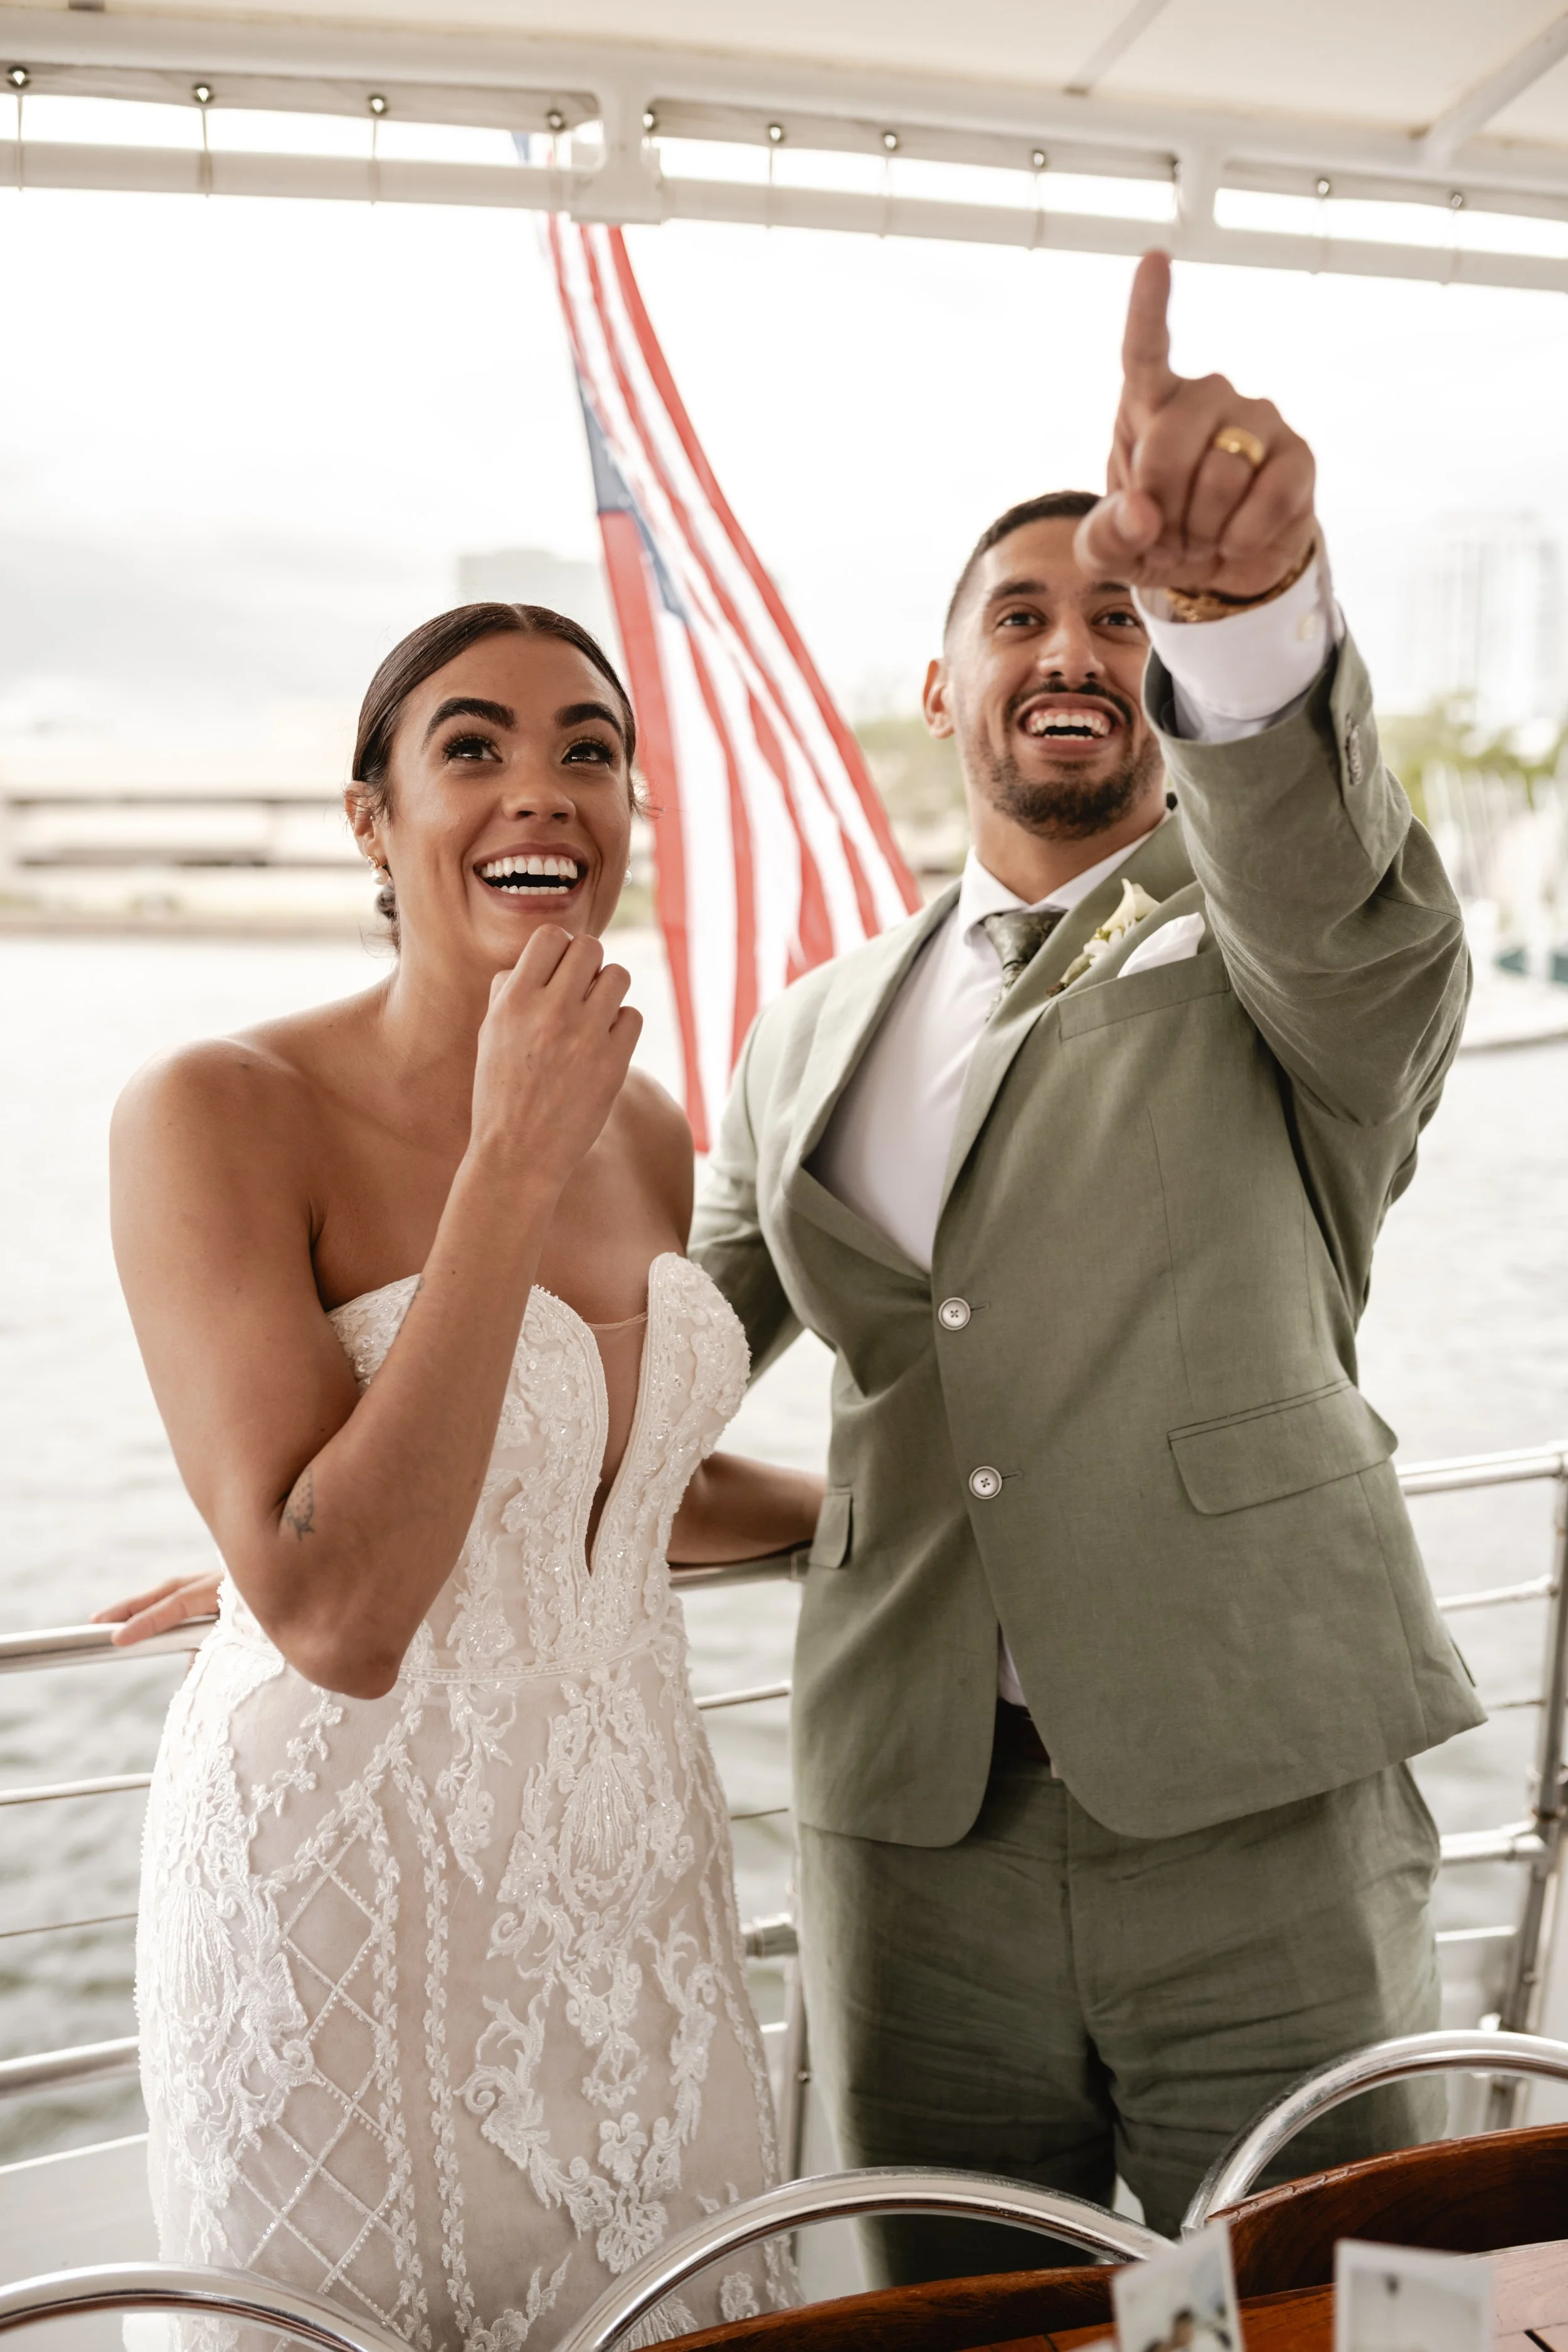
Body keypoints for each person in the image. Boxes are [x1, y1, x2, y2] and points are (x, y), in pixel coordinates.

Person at [688, 252, 1481, 2272]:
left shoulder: (1289, 956)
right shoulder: (805, 1030)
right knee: (954, 2321)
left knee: (1345, 2310)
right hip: (910, 1838)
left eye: (1117, 617)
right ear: (939, 685)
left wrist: (1242, 616)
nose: (1073, 644)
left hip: (1258, 1799)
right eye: (1019, 614)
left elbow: (1321, 878)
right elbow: (646, 1372)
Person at [100, 602, 818, 2348]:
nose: (542, 789)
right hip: (344, 1893)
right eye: (473, 746)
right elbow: (339, 1614)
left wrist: (893, 1518)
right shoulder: (215, 1106)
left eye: (590, 750)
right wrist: (507, 1156)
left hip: (632, 1881)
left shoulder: (649, 1127)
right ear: (373, 817)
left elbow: (625, 1478)